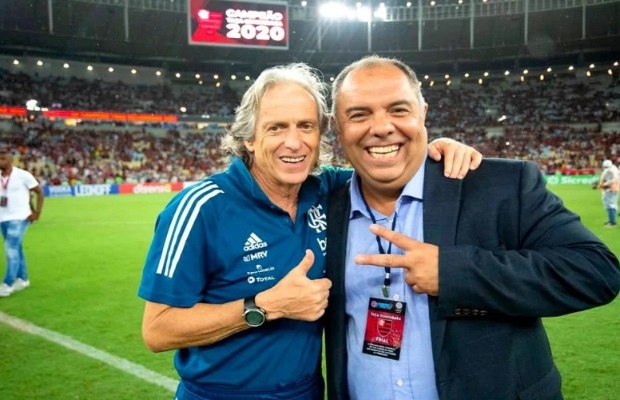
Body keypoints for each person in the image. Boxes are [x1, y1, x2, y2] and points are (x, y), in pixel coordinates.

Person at [138, 62, 482, 400]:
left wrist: (437, 150)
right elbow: (157, 330)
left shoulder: (331, 191)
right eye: (276, 128)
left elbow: (390, 167)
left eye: (306, 126)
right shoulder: (200, 208)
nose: (294, 142)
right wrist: (265, 306)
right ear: (250, 139)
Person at [324, 55, 620, 400]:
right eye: (359, 114)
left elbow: (595, 271)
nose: (381, 127)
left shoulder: (499, 185)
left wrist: (452, 273)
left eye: (399, 110)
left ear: (423, 113)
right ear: (337, 126)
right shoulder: (324, 206)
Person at [0, 147, 44, 298]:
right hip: (3, 218)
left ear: (11, 160)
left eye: (3, 158)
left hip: (20, 217)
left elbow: (39, 192)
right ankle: (23, 279)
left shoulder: (23, 175)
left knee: (10, 249)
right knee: (16, 248)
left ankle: (8, 283)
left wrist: (36, 212)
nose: (0, 161)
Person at [597, 159, 619, 227]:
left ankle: (612, 222)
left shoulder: (609, 171)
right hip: (614, 189)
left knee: (610, 205)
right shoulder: (615, 168)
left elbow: (613, 179)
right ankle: (611, 220)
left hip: (609, 189)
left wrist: (603, 184)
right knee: (613, 204)